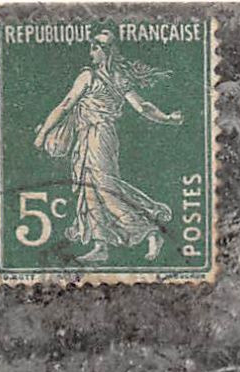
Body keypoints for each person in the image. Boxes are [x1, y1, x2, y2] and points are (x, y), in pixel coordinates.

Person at [32, 29, 183, 264]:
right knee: (88, 188)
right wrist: (167, 118)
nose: (91, 51)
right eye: (92, 46)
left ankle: (149, 230)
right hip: (87, 137)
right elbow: (141, 107)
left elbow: (65, 106)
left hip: (100, 136)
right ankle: (100, 245)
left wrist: (43, 133)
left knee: (104, 188)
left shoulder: (93, 77)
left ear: (107, 51)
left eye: (96, 46)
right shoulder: (110, 78)